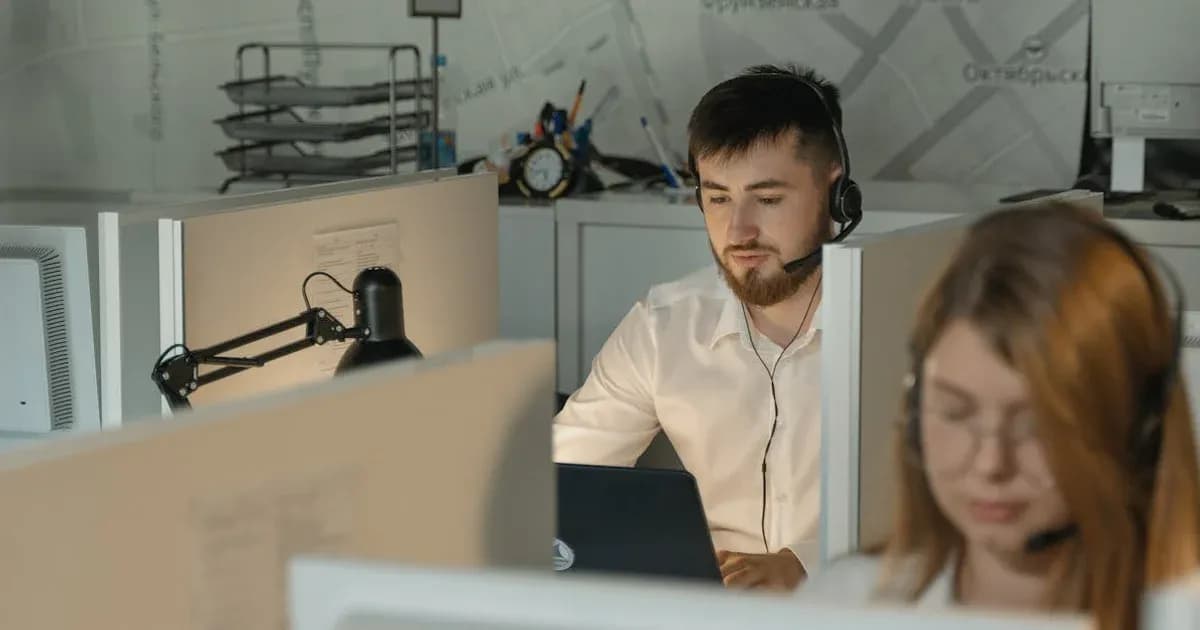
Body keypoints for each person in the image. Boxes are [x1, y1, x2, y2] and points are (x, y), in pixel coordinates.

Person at [800, 202, 1200, 630]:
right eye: (955, 413)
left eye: (1038, 425)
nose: (992, 463)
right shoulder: (842, 605)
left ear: (1138, 430)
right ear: (914, 416)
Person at [553, 63, 862, 592]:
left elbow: (963, 510)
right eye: (718, 198)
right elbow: (562, 481)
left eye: (767, 199)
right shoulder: (664, 326)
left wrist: (810, 563)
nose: (738, 232)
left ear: (834, 192)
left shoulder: (905, 323)